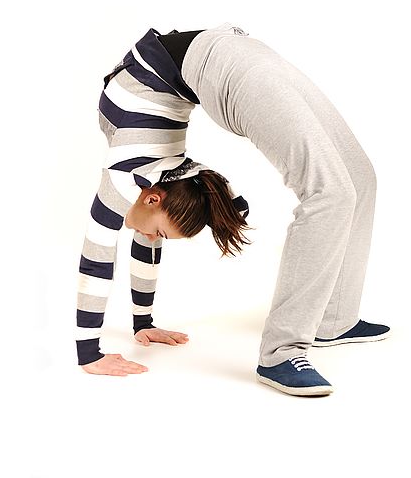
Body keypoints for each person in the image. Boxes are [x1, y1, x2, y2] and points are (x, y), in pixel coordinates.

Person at [76, 22, 390, 397]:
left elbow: (96, 262)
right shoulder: (182, 176)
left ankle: (284, 350)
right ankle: (328, 322)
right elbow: (169, 230)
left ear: (153, 197)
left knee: (346, 185)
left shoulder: (122, 181)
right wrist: (143, 323)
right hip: (236, 53)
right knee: (342, 187)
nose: (147, 238)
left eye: (158, 233)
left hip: (231, 66)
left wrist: (88, 353)